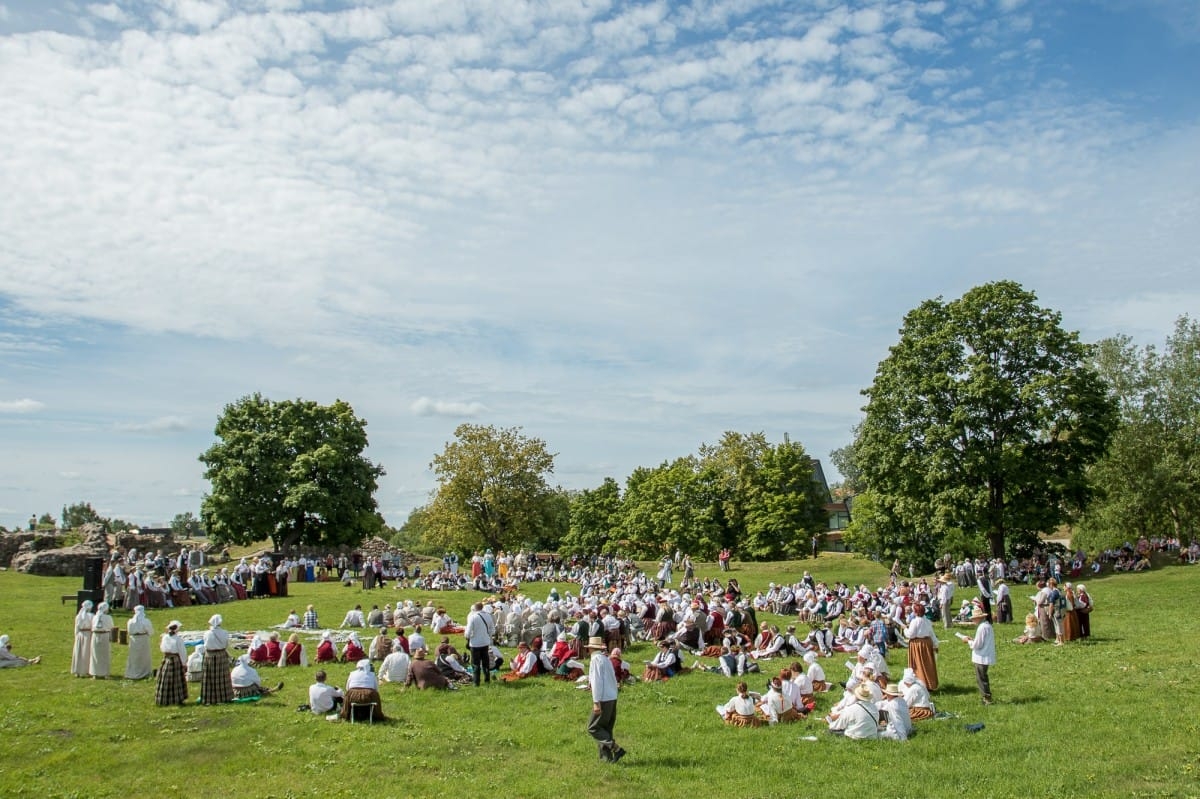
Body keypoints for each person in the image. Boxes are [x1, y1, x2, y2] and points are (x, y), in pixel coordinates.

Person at [585, 636, 625, 763]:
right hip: (612, 696)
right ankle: (606, 758)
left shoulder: (596, 660)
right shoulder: (606, 659)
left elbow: (597, 682)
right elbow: (613, 679)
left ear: (591, 649)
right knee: (605, 728)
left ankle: (616, 748)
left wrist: (596, 702)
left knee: (593, 727)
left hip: (603, 698)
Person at [960, 607, 995, 705]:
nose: (973, 620)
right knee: (983, 677)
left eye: (974, 618)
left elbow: (977, 645)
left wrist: (968, 641)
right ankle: (986, 697)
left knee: (981, 678)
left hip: (981, 656)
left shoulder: (981, 628)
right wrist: (973, 640)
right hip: (985, 655)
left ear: (978, 618)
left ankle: (987, 698)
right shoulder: (987, 626)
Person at [904, 603, 939, 691]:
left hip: (917, 644)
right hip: (927, 643)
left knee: (918, 664)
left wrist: (905, 629)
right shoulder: (927, 620)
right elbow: (932, 634)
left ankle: (921, 684)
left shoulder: (915, 621)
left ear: (915, 612)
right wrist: (935, 644)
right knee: (927, 664)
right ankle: (929, 683)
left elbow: (911, 635)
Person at [201, 614, 234, 704]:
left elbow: (205, 644)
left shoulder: (207, 633)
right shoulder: (224, 632)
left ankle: (210, 697)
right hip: (221, 655)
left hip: (210, 656)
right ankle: (224, 697)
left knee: (210, 677)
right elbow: (226, 644)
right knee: (222, 677)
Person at [155, 620, 188, 705]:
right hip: (175, 660)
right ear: (177, 629)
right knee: (176, 680)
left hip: (166, 659)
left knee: (165, 679)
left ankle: (164, 698)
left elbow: (162, 648)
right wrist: (184, 663)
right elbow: (182, 652)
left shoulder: (165, 637)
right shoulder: (178, 639)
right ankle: (176, 699)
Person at [464, 602, 494, 686]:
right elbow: (492, 629)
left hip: (475, 643)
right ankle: (487, 679)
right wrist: (487, 635)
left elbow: (468, 632)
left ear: (475, 608)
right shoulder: (488, 615)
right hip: (485, 642)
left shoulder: (473, 617)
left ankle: (476, 682)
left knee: (475, 663)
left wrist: (468, 636)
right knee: (485, 662)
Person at [124, 605, 155, 679]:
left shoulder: (130, 621)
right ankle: (144, 672)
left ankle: (132, 672)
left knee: (134, 656)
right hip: (143, 638)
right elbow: (150, 631)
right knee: (143, 656)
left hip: (134, 639)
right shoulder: (145, 621)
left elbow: (129, 631)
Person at [89, 601, 115, 679]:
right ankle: (104, 673)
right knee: (104, 654)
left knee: (96, 654)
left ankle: (95, 673)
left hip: (96, 635)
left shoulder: (95, 617)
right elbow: (111, 626)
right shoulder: (108, 617)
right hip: (104, 635)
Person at [71, 600, 95, 678]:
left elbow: (76, 628)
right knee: (86, 652)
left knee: (79, 652)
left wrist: (76, 635)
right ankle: (86, 670)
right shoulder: (91, 616)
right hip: (88, 634)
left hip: (80, 635)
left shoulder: (78, 616)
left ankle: (77, 670)